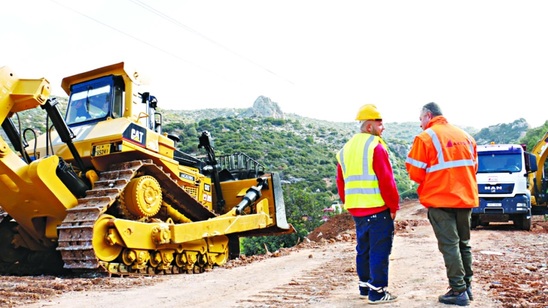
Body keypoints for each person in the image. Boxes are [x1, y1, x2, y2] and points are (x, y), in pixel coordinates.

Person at [405, 102, 478, 306]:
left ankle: (458, 291)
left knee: (450, 245)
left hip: (441, 200)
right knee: (464, 243)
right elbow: (474, 168)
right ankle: (467, 285)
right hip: (465, 199)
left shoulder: (425, 137)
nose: (420, 124)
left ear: (428, 116)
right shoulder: (466, 137)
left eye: (420, 120)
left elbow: (415, 173)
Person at [335, 104, 400, 305]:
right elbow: (386, 180)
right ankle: (377, 292)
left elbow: (340, 181)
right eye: (380, 124)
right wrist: (393, 206)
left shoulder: (345, 149)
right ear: (370, 126)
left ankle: (364, 286)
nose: (383, 128)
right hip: (377, 207)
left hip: (357, 209)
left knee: (363, 248)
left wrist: (350, 203)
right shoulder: (375, 146)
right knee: (379, 249)